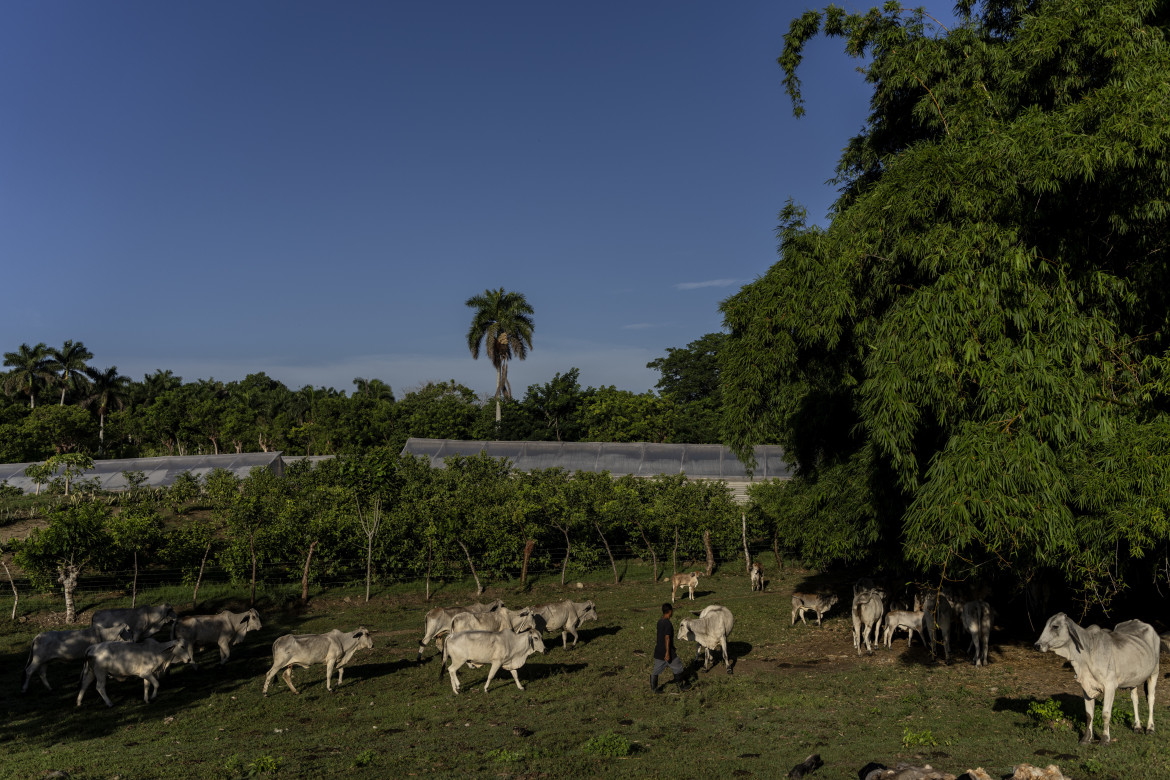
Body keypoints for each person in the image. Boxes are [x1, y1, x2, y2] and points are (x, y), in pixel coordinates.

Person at [651, 602, 690, 693]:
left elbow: (661, 636)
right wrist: (668, 652)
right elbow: (667, 637)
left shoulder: (660, 621)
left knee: (656, 670)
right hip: (667, 651)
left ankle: (654, 689)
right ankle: (681, 687)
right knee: (678, 667)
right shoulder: (668, 623)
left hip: (659, 650)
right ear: (670, 611)